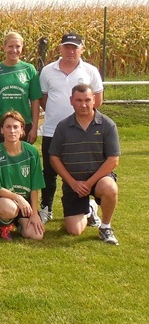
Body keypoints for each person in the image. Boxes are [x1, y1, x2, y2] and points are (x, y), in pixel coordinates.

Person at [39, 33, 104, 224]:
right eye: (67, 47)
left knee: (84, 170)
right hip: (52, 130)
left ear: (82, 49)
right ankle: (46, 207)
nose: (70, 51)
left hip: (82, 131)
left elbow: (97, 100)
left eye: (74, 47)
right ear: (60, 49)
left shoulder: (90, 71)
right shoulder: (48, 71)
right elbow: (44, 100)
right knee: (49, 172)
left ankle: (90, 207)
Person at [49, 84, 120, 245]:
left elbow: (113, 160)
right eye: (79, 100)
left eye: (87, 100)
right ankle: (91, 208)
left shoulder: (107, 125)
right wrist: (73, 183)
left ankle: (105, 227)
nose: (83, 104)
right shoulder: (63, 126)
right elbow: (54, 158)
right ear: (71, 101)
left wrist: (89, 183)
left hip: (98, 180)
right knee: (74, 231)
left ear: (94, 100)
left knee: (110, 188)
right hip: (74, 184)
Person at [0, 111, 45, 241]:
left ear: (22, 130)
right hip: (2, 199)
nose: (12, 131)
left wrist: (34, 214)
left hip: (25, 202)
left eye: (16, 127)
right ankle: (3, 227)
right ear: (2, 130)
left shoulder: (32, 152)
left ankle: (17, 223)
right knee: (9, 208)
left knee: (37, 235)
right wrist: (18, 198)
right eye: (8, 127)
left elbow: (35, 186)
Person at [0, 32, 41, 151]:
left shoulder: (29, 70)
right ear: (4, 47)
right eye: (10, 46)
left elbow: (35, 100)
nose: (14, 50)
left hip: (22, 124)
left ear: (22, 47)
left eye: (18, 46)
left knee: (21, 161)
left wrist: (34, 127)